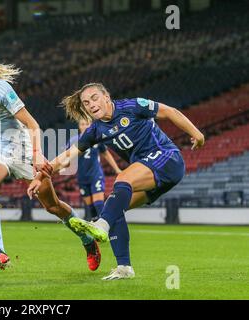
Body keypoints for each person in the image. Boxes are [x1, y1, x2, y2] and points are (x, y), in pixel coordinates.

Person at [28, 83, 205, 280]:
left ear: (106, 97)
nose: (91, 104)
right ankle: (124, 267)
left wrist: (196, 134)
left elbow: (170, 111)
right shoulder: (95, 130)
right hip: (150, 172)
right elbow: (67, 157)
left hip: (167, 159)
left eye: (94, 98)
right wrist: (40, 176)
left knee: (122, 179)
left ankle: (101, 225)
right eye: (86, 103)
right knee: (113, 208)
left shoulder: (133, 106)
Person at [0, 41, 100, 271]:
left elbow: (33, 124)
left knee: (52, 206)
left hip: (21, 148)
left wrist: (37, 155)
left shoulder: (1, 89)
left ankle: (87, 240)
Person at [65, 119, 121, 222]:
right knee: (90, 206)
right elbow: (66, 158)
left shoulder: (96, 139)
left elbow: (106, 154)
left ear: (91, 125)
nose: (85, 126)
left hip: (96, 175)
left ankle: (107, 226)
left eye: (87, 124)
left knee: (98, 203)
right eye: (82, 124)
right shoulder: (73, 141)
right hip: (82, 177)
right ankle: (97, 228)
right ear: (79, 126)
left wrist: (117, 169)